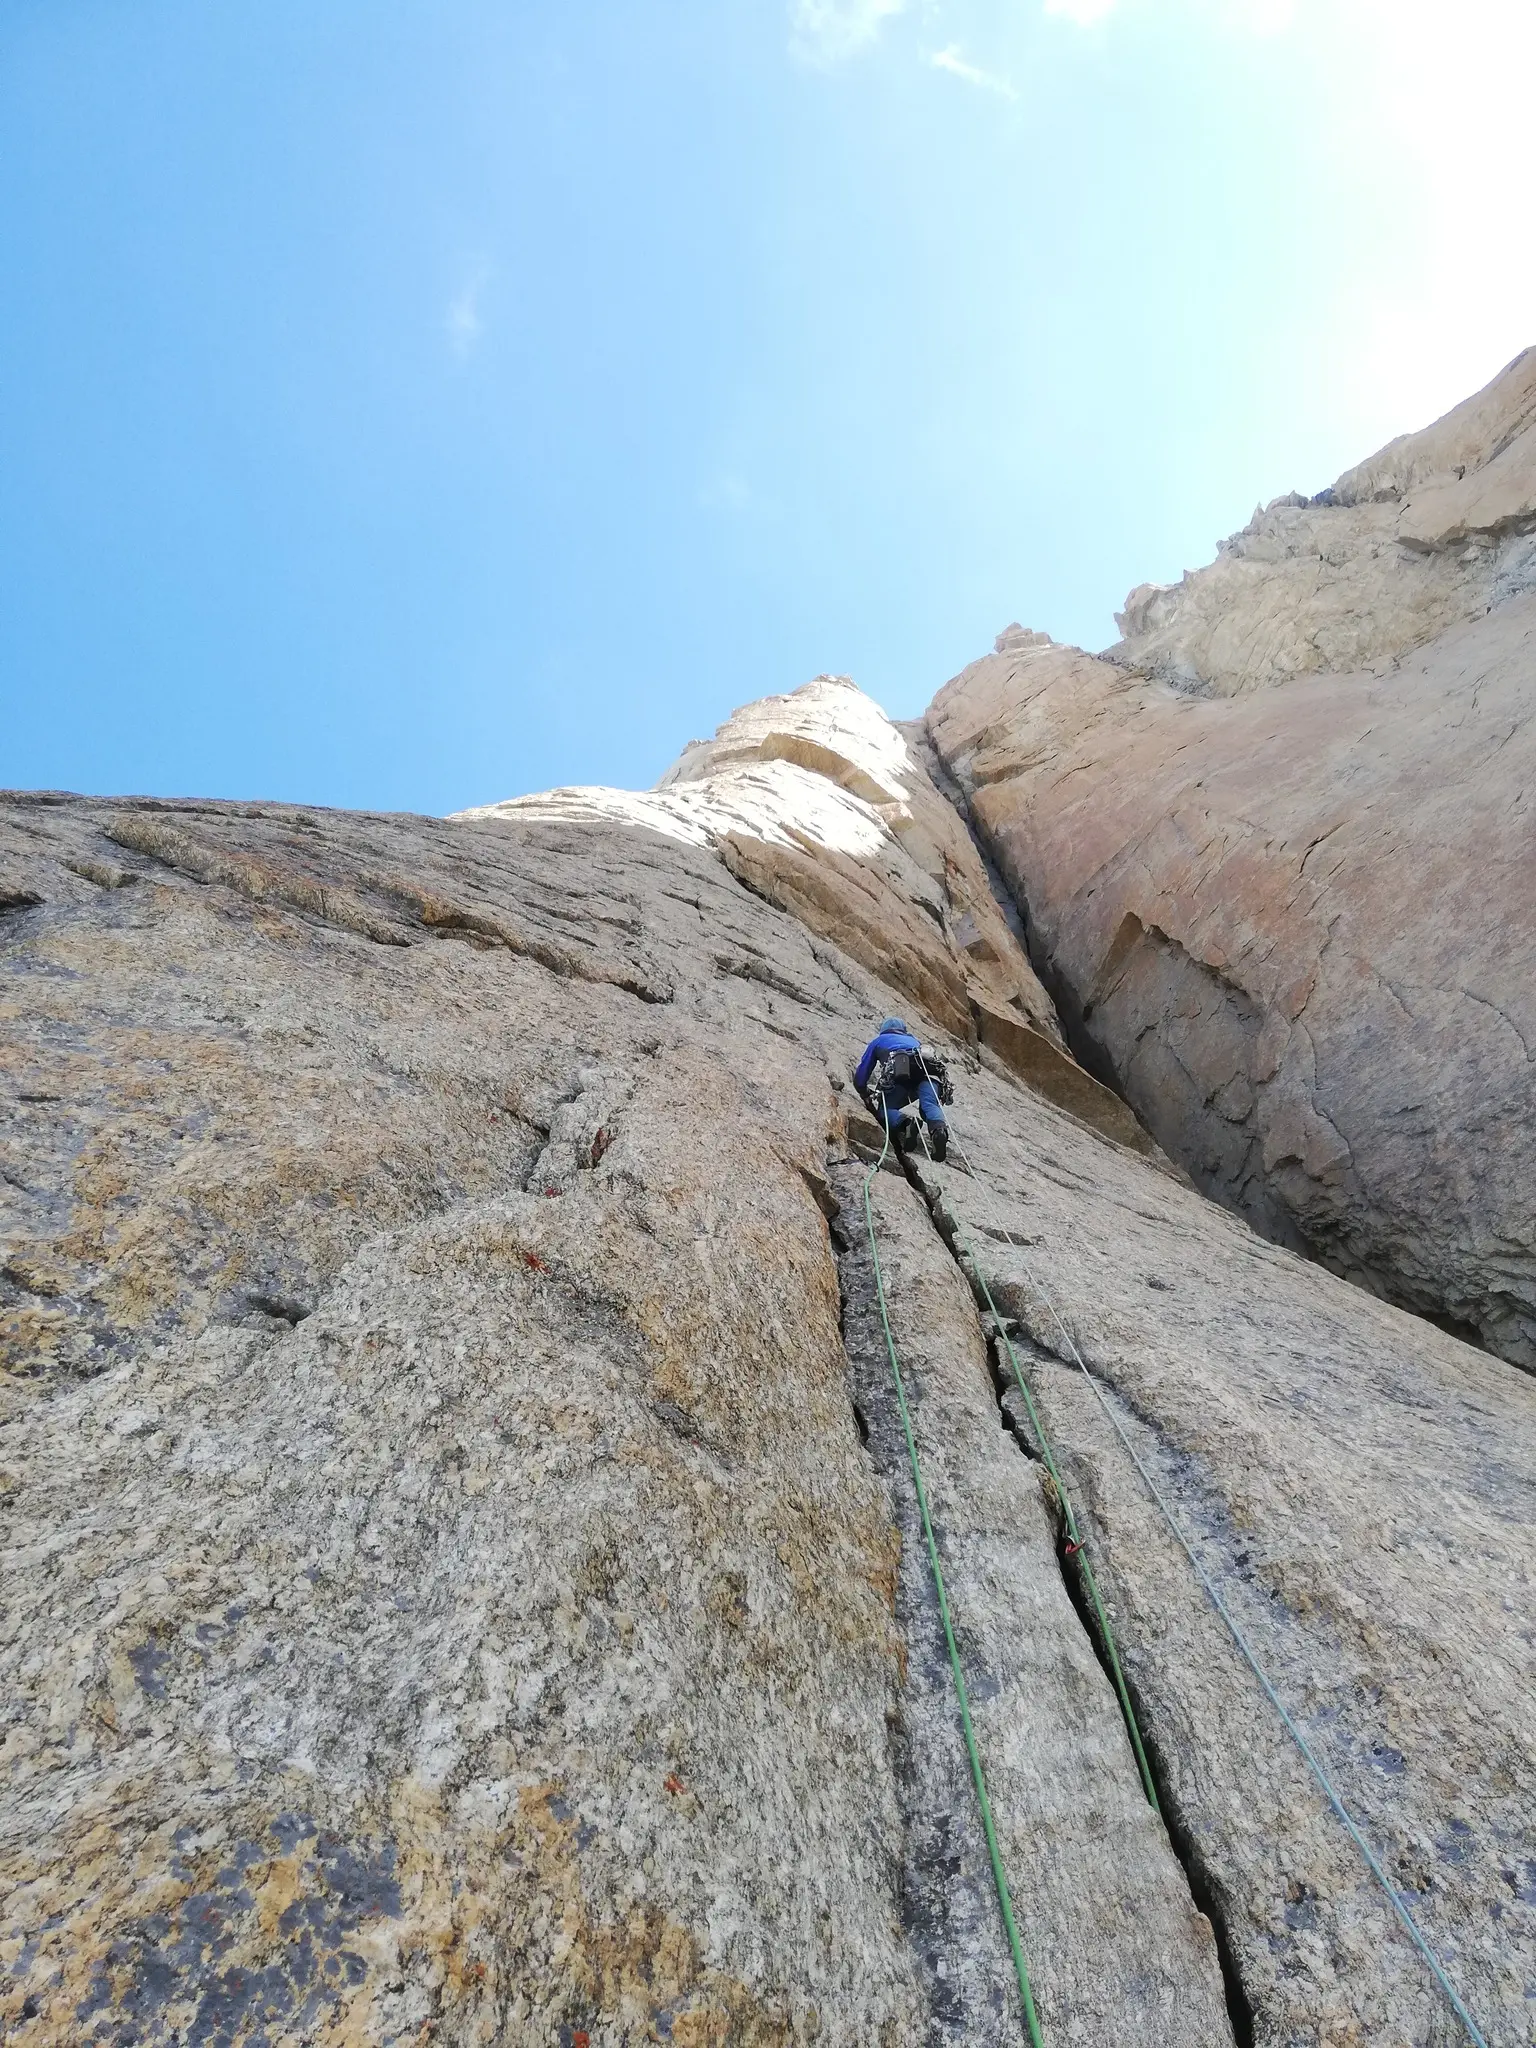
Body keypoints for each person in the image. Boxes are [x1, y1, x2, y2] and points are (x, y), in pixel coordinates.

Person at [853, 1016, 949, 1161]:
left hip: (900, 1076)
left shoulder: (879, 1041)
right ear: (903, 1030)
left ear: (883, 1030)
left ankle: (907, 1123)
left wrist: (862, 1090)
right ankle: (939, 1130)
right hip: (927, 1076)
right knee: (929, 1104)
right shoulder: (915, 1042)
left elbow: (863, 1072)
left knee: (884, 1110)